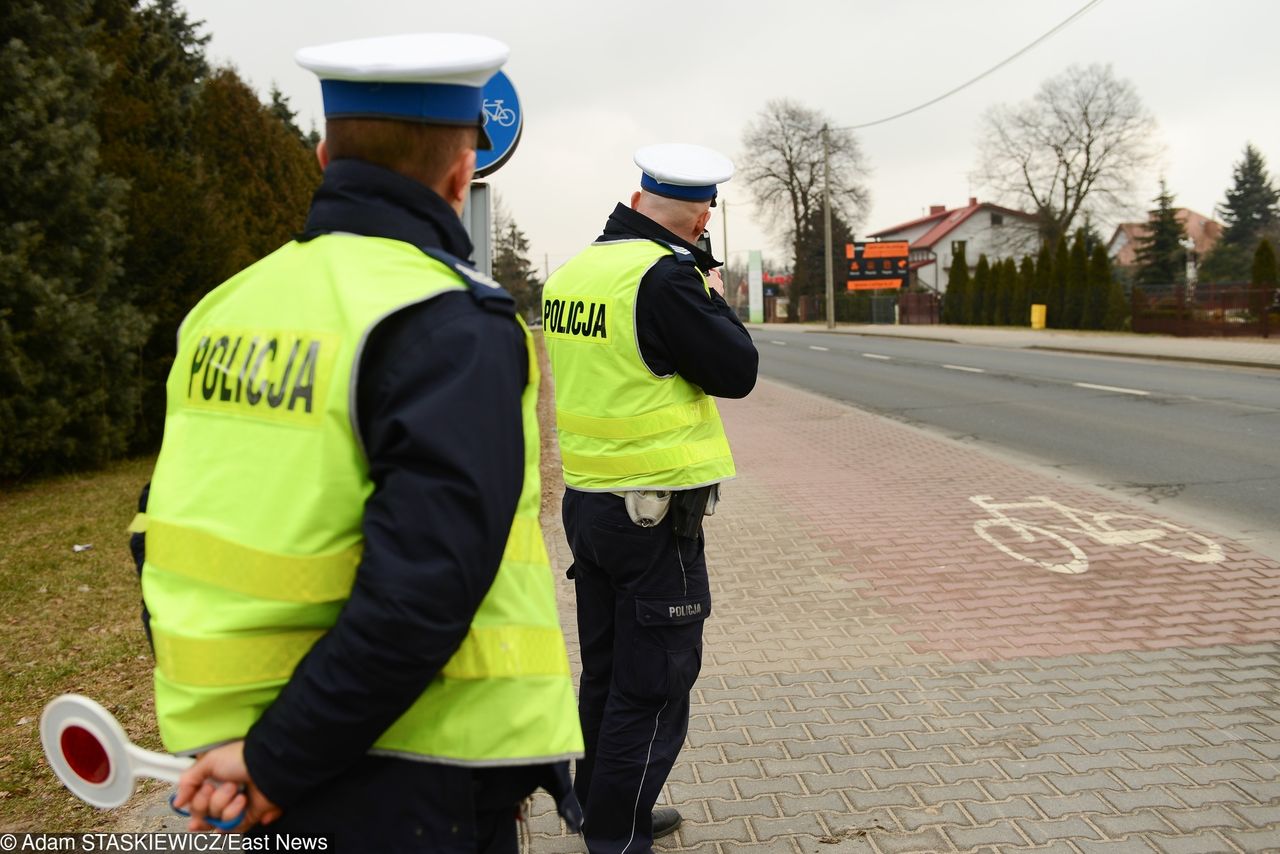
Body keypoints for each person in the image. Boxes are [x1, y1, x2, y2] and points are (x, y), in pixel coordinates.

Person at [131, 33, 583, 852]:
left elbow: (160, 526)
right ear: (461, 173)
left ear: (321, 155)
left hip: (242, 753)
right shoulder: (448, 322)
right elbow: (425, 587)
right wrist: (278, 758)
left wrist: (256, 750)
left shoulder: (225, 307)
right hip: (404, 770)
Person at [541, 143, 759, 853]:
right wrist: (715, 298)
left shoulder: (576, 272)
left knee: (605, 672)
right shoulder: (666, 279)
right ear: (701, 217)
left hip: (590, 504)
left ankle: (598, 810)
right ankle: (618, 838)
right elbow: (736, 370)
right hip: (653, 515)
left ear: (637, 203)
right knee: (655, 684)